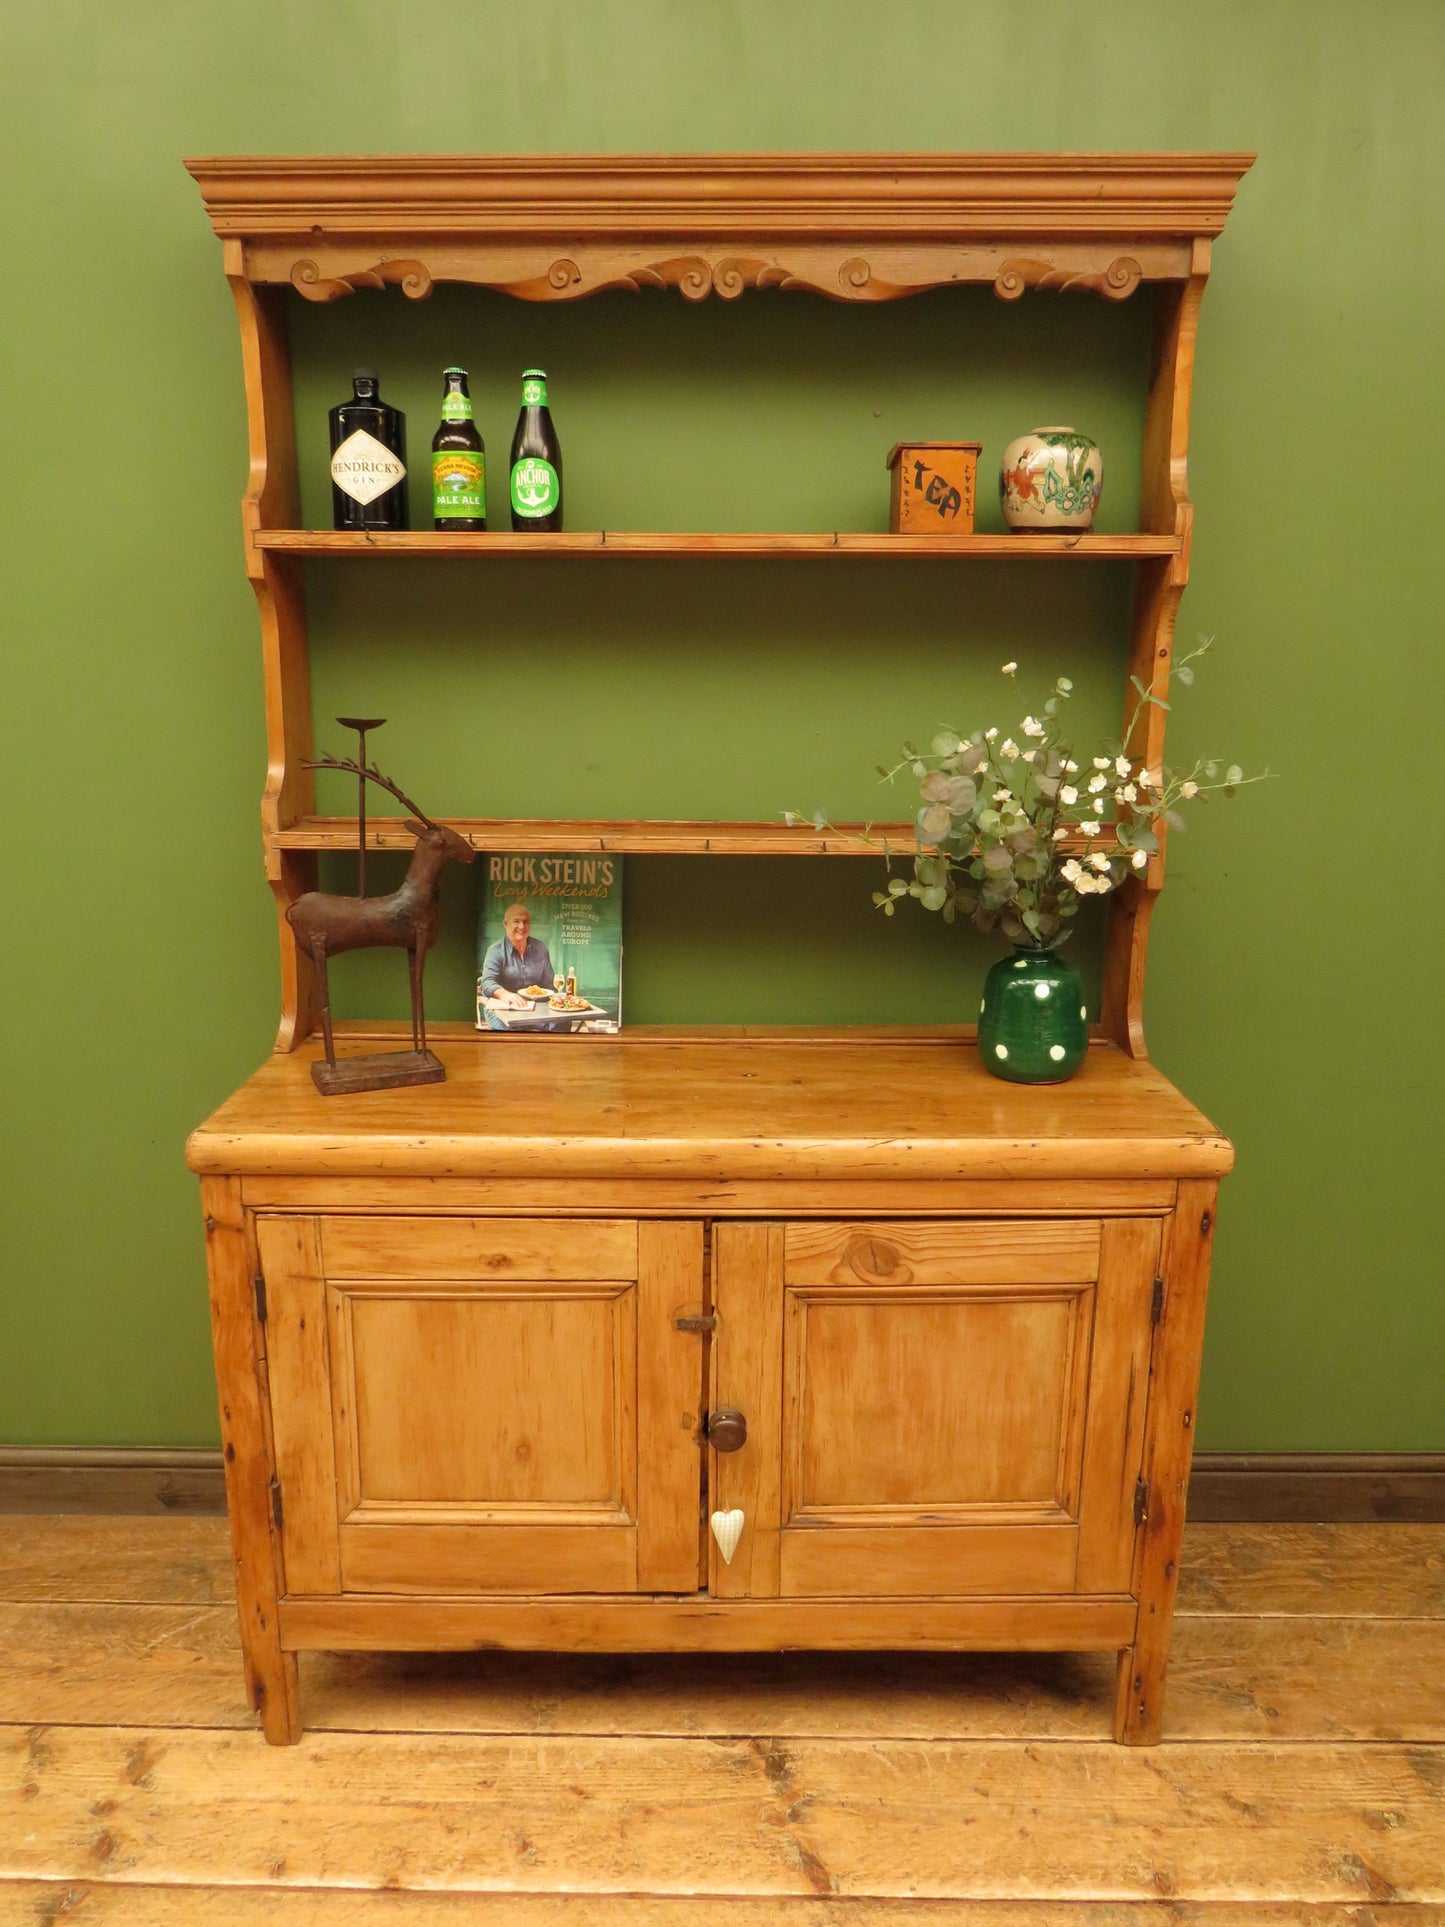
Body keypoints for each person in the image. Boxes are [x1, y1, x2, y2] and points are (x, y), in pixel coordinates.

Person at [480, 903, 556, 1005]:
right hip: (504, 1006)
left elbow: (548, 984)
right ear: (506, 924)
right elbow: (487, 982)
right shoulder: (495, 950)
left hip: (536, 1006)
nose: (522, 926)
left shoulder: (541, 948)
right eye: (516, 921)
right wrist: (505, 994)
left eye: (526, 922)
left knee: (563, 1020)